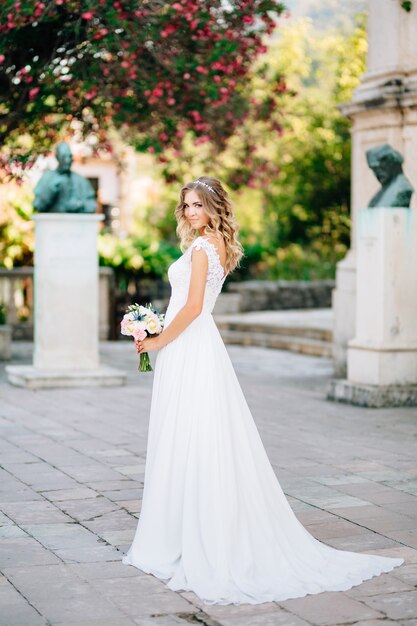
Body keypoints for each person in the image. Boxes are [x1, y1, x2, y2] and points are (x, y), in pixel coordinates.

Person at [122, 176, 403, 605]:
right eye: (187, 206)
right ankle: (188, 526)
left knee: (190, 433)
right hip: (195, 345)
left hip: (188, 344)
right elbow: (190, 305)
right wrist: (156, 326)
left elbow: (194, 307)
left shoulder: (200, 249)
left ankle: (195, 536)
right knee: (192, 434)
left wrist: (157, 339)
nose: (191, 212)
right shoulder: (216, 245)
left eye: (198, 204)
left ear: (214, 206)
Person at [33, 142, 97, 213]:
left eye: (69, 156)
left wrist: (79, 205)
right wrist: (51, 190)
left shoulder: (81, 181)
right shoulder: (47, 178)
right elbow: (38, 206)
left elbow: (92, 206)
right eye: (63, 156)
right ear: (57, 157)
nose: (67, 160)